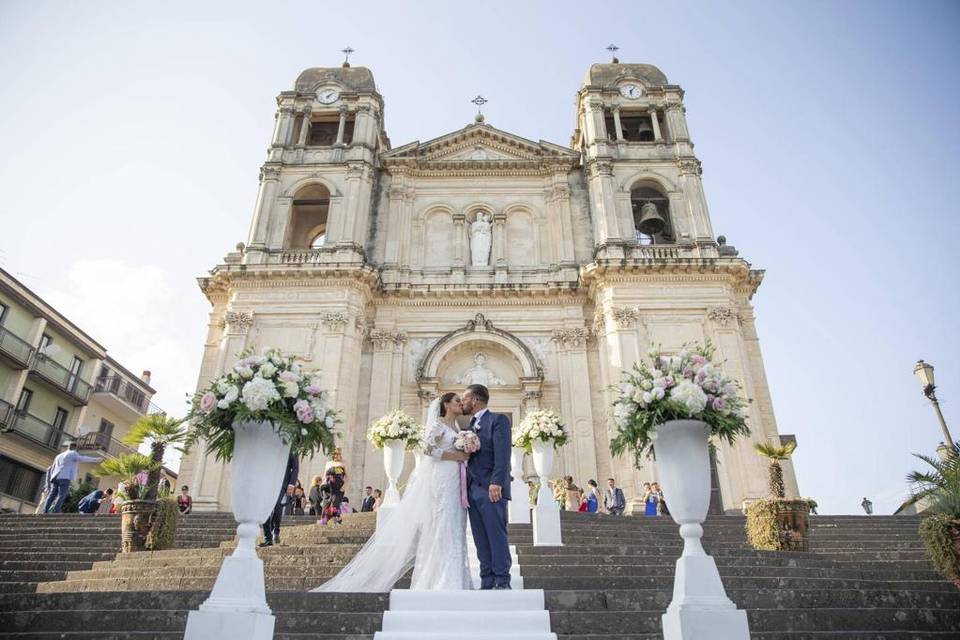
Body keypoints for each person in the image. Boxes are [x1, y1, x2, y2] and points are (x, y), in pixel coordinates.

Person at [313, 391, 474, 591]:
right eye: (457, 401)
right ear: (447, 405)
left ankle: (454, 575)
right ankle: (441, 578)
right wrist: (455, 456)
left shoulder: (455, 426)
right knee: (442, 520)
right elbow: (427, 449)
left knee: (454, 521)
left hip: (454, 478)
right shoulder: (439, 423)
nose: (461, 404)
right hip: (442, 476)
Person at [462, 383, 512, 590]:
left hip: (491, 488)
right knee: (479, 536)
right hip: (472, 489)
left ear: (475, 400)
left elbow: (503, 454)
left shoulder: (497, 420)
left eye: (465, 399)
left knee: (495, 534)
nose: (462, 402)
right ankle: (487, 579)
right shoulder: (468, 427)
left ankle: (502, 579)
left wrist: (496, 482)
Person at [44, 442, 100, 513]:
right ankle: (55, 511)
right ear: (75, 448)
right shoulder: (73, 453)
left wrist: (51, 477)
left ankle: (45, 510)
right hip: (65, 477)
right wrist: (96, 459)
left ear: (68, 447)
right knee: (61, 495)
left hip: (55, 476)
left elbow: (53, 467)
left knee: (52, 495)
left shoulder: (59, 455)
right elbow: (82, 458)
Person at [260, 453, 299, 547]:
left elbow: (295, 468)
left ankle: (276, 531)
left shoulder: (291, 447)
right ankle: (267, 538)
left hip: (282, 484)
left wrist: (291, 484)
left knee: (277, 506)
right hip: (266, 482)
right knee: (264, 509)